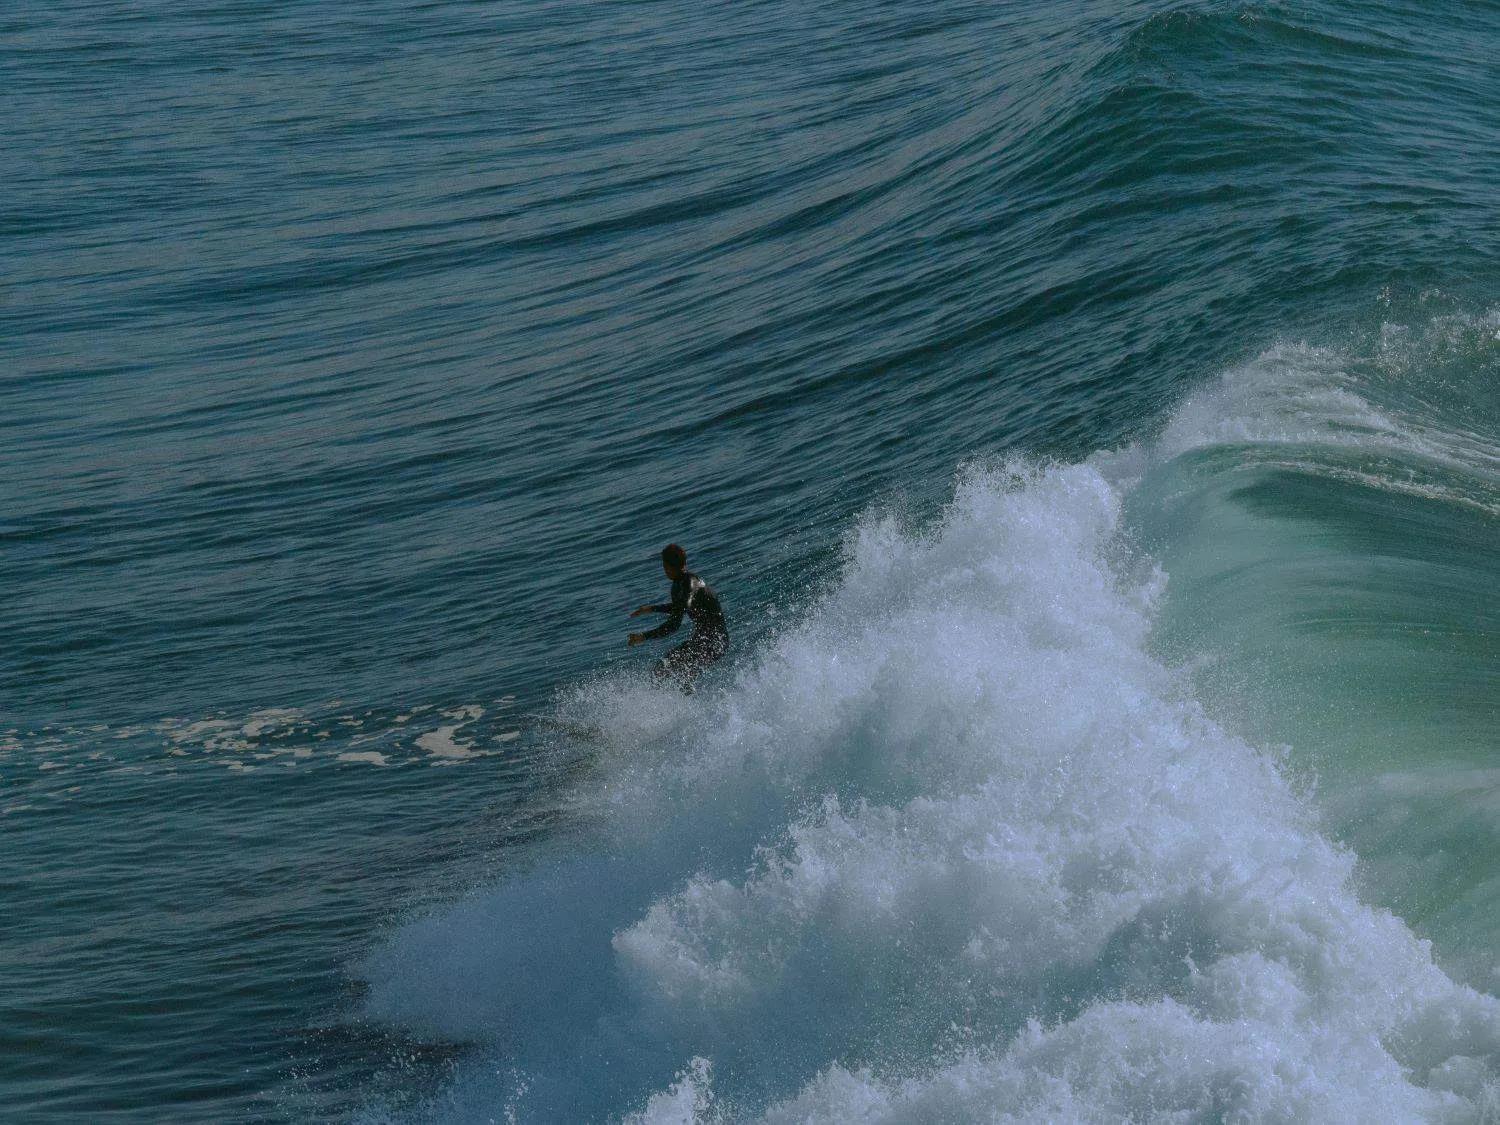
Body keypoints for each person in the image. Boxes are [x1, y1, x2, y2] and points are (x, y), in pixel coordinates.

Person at [628, 543, 729, 692]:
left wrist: (644, 636)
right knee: (662, 670)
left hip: (715, 642)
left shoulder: (691, 583)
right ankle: (679, 708)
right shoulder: (678, 585)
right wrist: (651, 609)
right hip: (702, 641)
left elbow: (675, 622)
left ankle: (693, 707)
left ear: (667, 566)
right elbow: (680, 607)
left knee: (675, 674)